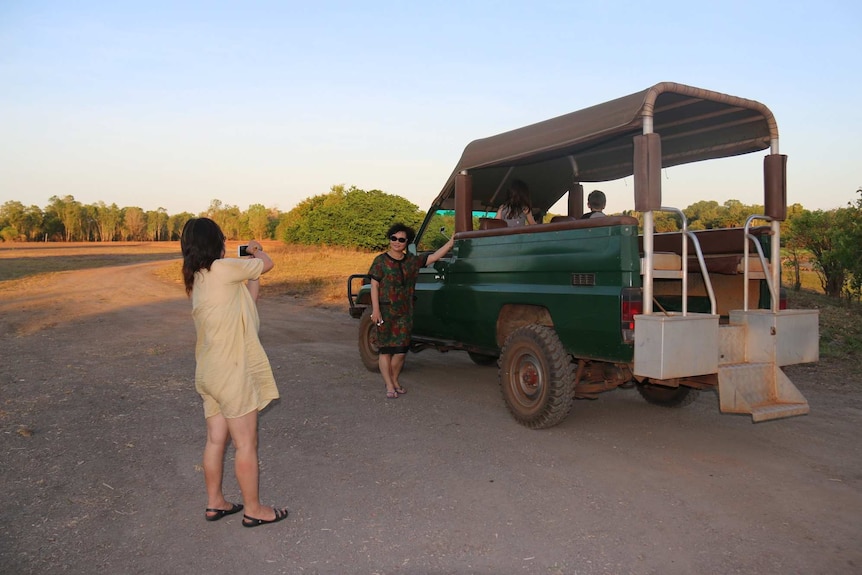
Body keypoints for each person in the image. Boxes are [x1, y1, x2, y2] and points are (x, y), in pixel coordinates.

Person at [180, 217, 289, 528]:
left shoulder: (197, 277)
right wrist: (256, 250)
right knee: (245, 444)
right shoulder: (224, 268)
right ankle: (254, 509)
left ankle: (215, 502)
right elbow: (267, 264)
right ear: (216, 241)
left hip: (209, 373)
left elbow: (249, 299)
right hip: (232, 373)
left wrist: (250, 267)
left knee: (216, 440)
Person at [368, 223, 455, 398]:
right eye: (394, 238)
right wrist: (375, 310)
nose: (397, 242)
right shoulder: (380, 261)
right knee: (385, 350)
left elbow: (434, 257)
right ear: (390, 238)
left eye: (401, 239)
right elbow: (374, 286)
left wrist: (451, 242)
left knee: (400, 351)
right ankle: (390, 385)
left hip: (405, 313)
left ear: (407, 242)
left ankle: (394, 380)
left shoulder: (412, 261)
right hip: (385, 311)